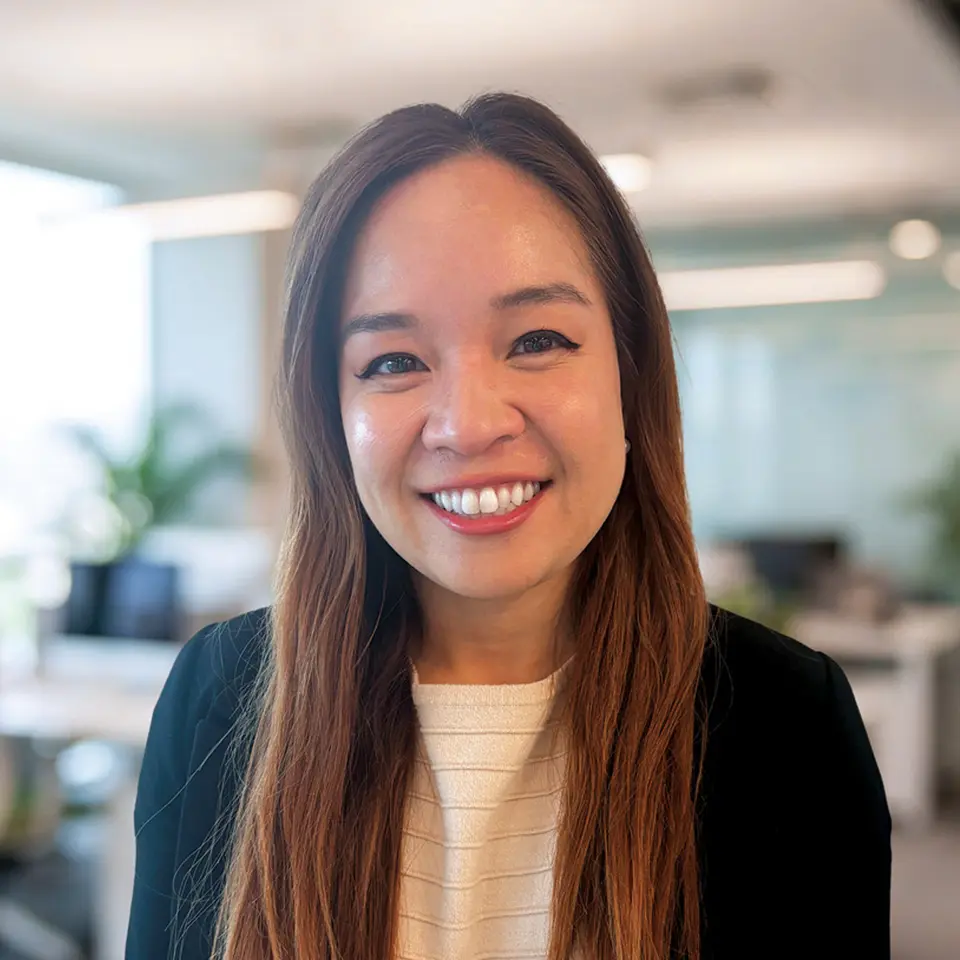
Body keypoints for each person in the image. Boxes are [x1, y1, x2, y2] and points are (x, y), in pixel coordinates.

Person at [126, 93, 891, 960]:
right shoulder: (220, 702)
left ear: (629, 376)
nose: (468, 423)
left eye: (536, 340)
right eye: (394, 361)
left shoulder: (786, 724)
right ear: (329, 416)